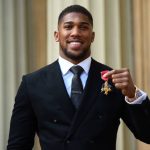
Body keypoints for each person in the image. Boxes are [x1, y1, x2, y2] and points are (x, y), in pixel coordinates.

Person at [7, 4, 150, 150]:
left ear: (92, 36)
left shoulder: (115, 80)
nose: (75, 32)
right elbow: (18, 145)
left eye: (83, 27)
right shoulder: (32, 83)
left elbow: (147, 134)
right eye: (68, 27)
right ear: (57, 35)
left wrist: (133, 95)